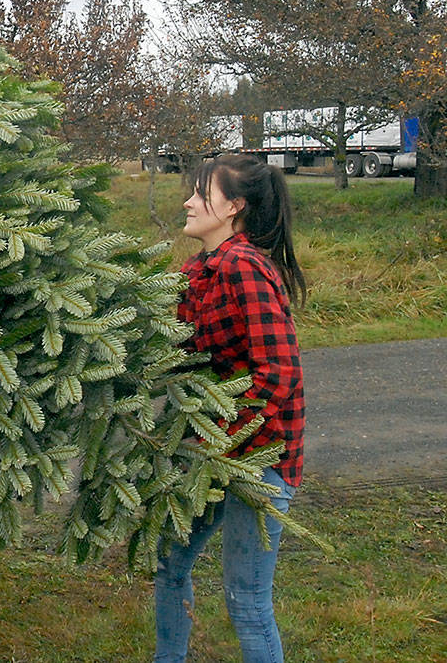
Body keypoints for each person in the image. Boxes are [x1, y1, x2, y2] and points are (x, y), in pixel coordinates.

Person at [153, 154, 307, 663]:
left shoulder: (246, 268)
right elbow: (182, 354)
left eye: (201, 192)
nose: (188, 201)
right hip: (211, 454)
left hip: (257, 460)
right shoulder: (199, 269)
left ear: (234, 206)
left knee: (247, 600)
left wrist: (223, 439)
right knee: (170, 563)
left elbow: (278, 373)